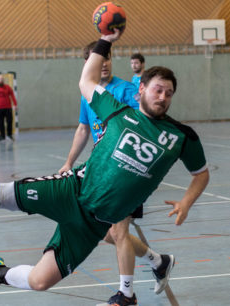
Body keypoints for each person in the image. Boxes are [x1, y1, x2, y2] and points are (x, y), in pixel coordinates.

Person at [0, 29, 209, 306]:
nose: (163, 97)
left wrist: (187, 202)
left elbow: (201, 174)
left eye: (169, 93)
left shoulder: (182, 136)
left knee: (39, 281)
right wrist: (106, 39)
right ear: (141, 88)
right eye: (158, 90)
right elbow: (86, 80)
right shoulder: (117, 111)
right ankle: (128, 293)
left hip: (94, 225)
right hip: (70, 191)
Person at [59, 41, 172, 304]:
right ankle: (158, 261)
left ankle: (126, 293)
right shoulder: (88, 94)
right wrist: (68, 162)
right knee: (101, 230)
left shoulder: (126, 90)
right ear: (90, 65)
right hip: (102, 172)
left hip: (126, 171)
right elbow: (83, 129)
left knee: (119, 232)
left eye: (107, 57)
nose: (105, 63)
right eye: (100, 60)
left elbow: (146, 121)